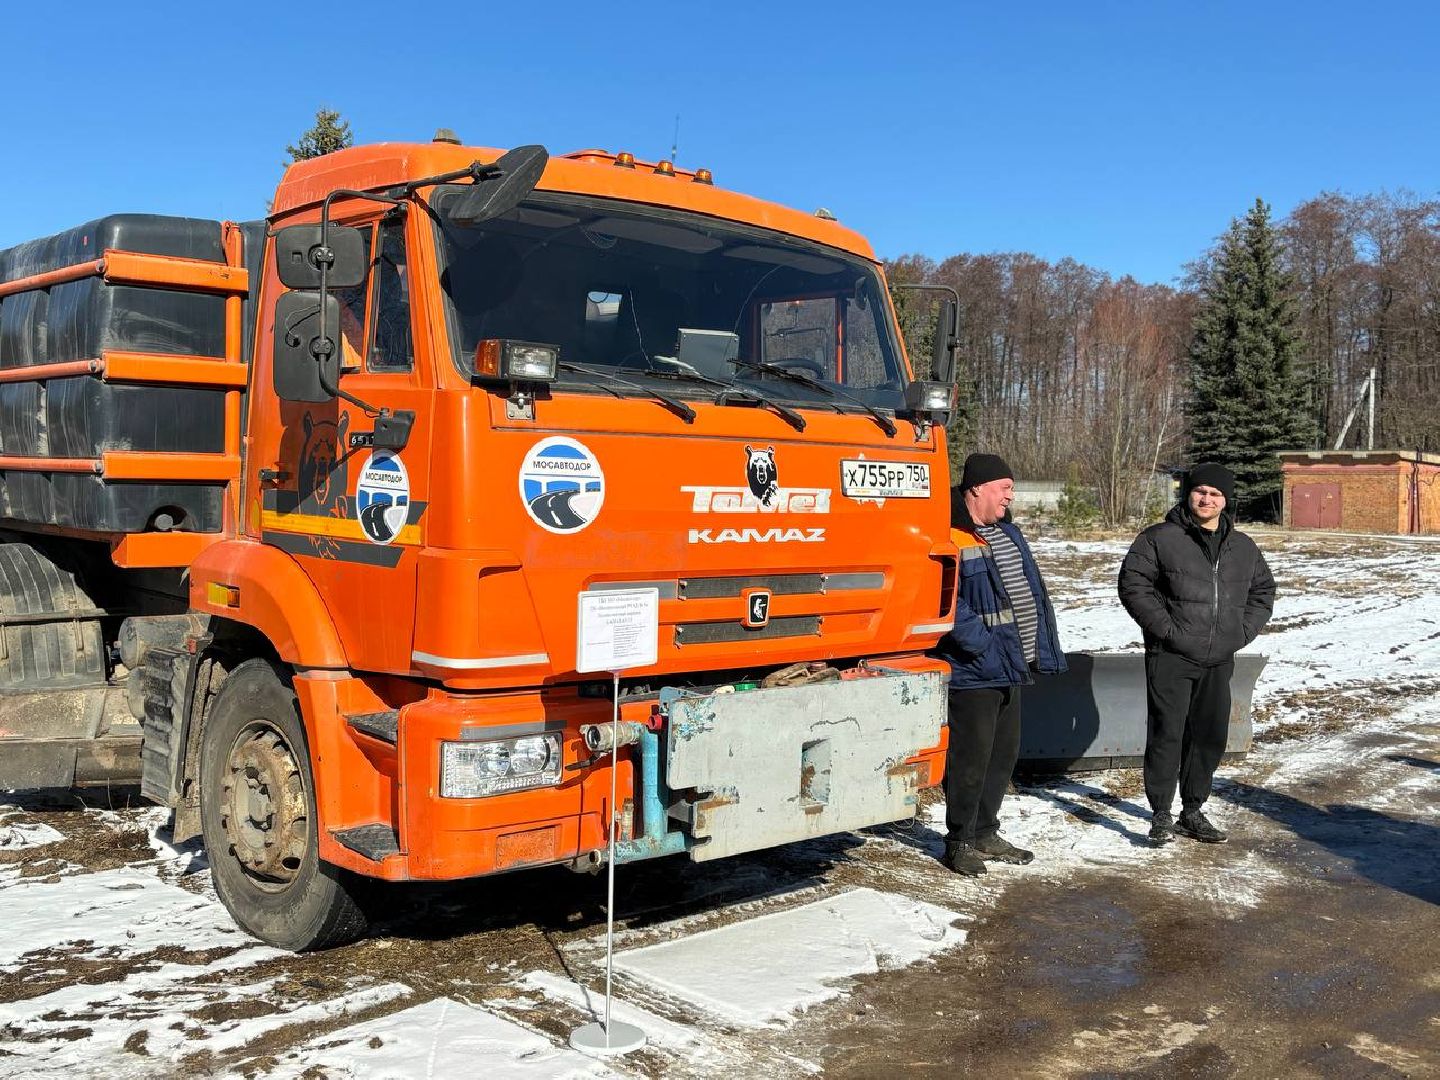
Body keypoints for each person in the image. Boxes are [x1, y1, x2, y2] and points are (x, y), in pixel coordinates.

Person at [1118, 463, 1275, 845]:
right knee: (1167, 734)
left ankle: (1192, 811)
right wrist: (1168, 630)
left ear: (1225, 501)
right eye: (1200, 491)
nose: (1206, 499)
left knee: (1209, 736)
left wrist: (1240, 632)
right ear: (1188, 494)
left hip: (1219, 658)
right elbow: (1133, 584)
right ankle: (1160, 814)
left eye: (1215, 494)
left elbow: (1263, 590)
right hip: (1171, 655)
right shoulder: (1160, 538)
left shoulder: (1243, 546)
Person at [933, 454, 1067, 876]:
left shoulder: (1008, 532)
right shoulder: (949, 535)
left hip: (1012, 662)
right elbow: (943, 596)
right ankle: (958, 842)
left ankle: (986, 831)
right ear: (977, 488)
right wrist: (980, 644)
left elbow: (1031, 592)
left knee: (1002, 755)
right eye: (1004, 486)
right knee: (971, 759)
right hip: (975, 668)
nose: (1011, 494)